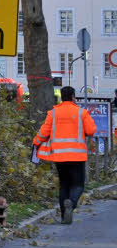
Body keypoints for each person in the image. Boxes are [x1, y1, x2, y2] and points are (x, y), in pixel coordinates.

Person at [33, 86, 96, 224]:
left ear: (61, 97)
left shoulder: (54, 113)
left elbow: (44, 132)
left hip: (59, 156)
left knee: (64, 185)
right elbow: (91, 130)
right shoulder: (82, 113)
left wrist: (35, 142)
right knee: (78, 185)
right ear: (73, 96)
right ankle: (71, 203)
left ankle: (63, 217)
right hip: (77, 156)